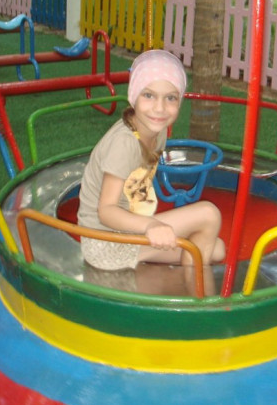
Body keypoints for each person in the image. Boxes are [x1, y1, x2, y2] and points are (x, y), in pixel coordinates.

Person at [77, 49, 226, 275]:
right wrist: (151, 225)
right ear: (133, 96)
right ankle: (196, 290)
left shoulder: (157, 131)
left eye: (170, 98)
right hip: (105, 241)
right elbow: (106, 211)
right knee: (209, 214)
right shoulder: (124, 143)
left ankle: (189, 278)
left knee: (216, 249)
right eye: (148, 95)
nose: (159, 108)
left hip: (127, 232)